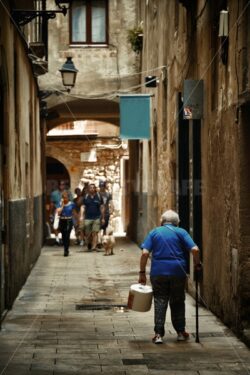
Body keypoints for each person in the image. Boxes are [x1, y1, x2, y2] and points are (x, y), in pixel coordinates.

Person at [139, 209, 202, 344]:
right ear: (177, 222)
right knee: (178, 301)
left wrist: (142, 273)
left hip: (158, 273)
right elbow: (195, 250)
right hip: (177, 273)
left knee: (160, 301)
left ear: (162, 221)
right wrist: (197, 265)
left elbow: (144, 254)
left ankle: (158, 335)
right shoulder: (181, 232)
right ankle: (180, 332)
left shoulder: (154, 232)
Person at [79, 183, 105, 251]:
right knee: (88, 233)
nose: (92, 189)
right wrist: (81, 216)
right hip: (88, 218)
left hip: (97, 217)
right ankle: (89, 243)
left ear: (95, 189)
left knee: (95, 232)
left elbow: (102, 208)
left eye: (93, 188)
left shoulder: (99, 196)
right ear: (88, 189)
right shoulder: (86, 197)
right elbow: (83, 206)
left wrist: (102, 218)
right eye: (91, 188)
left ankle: (94, 247)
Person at [50, 180, 72, 245]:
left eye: (63, 184)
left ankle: (64, 239)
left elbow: (71, 202)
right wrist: (51, 213)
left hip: (66, 212)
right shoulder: (54, 193)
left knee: (64, 227)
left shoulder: (68, 193)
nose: (62, 186)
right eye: (61, 184)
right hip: (57, 212)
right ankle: (57, 240)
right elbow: (52, 204)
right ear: (58, 185)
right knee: (55, 226)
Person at [56, 191, 77, 257]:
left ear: (68, 198)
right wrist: (62, 206)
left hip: (69, 221)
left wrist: (77, 221)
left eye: (66, 197)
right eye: (63, 197)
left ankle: (66, 250)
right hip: (62, 221)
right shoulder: (60, 204)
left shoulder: (72, 204)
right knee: (63, 236)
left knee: (67, 235)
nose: (65, 199)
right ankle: (65, 247)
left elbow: (74, 213)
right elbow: (58, 213)